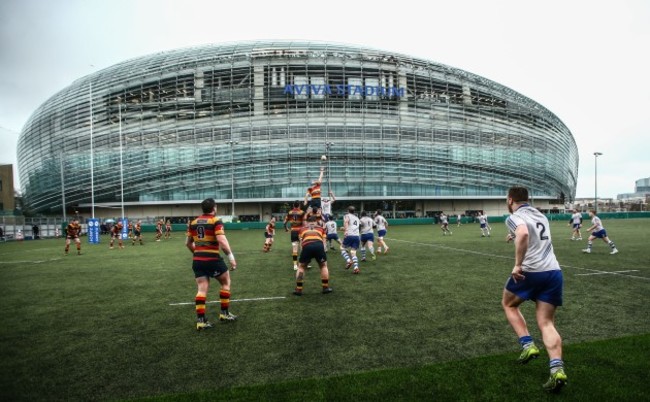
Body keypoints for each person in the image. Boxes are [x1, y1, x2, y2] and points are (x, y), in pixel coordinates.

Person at [503, 186, 567, 393]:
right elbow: (531, 233)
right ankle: (557, 369)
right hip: (553, 272)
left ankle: (527, 344)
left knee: (508, 304)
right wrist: (516, 236)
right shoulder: (540, 214)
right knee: (546, 322)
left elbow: (523, 232)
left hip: (531, 272)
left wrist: (517, 264)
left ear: (511, 199)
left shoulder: (513, 216)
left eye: (507, 198)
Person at [186, 198, 237, 330]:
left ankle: (201, 321)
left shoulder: (193, 222)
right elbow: (222, 241)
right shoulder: (215, 221)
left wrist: (197, 254)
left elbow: (188, 243)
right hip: (213, 259)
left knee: (202, 289)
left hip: (197, 261)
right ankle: (224, 314)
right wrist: (231, 258)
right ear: (214, 208)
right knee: (226, 283)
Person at [293, 215, 333, 295]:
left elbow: (301, 242)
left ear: (307, 222)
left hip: (307, 247)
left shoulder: (302, 229)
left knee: (301, 267)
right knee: (323, 266)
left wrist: (302, 251)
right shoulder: (321, 229)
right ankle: (325, 287)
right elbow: (324, 241)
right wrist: (324, 249)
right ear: (316, 222)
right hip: (319, 246)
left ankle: (299, 289)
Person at [284, 200, 308, 270]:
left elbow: (284, 222)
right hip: (301, 231)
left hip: (293, 232)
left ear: (293, 205)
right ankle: (304, 263)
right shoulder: (302, 212)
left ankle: (295, 265)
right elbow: (304, 223)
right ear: (299, 205)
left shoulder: (290, 212)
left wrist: (286, 229)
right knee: (303, 248)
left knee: (295, 249)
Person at [341, 205, 361, 274]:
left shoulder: (347, 216)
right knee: (353, 252)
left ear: (348, 211)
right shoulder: (357, 218)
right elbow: (357, 226)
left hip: (349, 235)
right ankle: (356, 268)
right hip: (357, 236)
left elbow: (346, 222)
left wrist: (346, 230)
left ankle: (348, 260)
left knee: (342, 248)